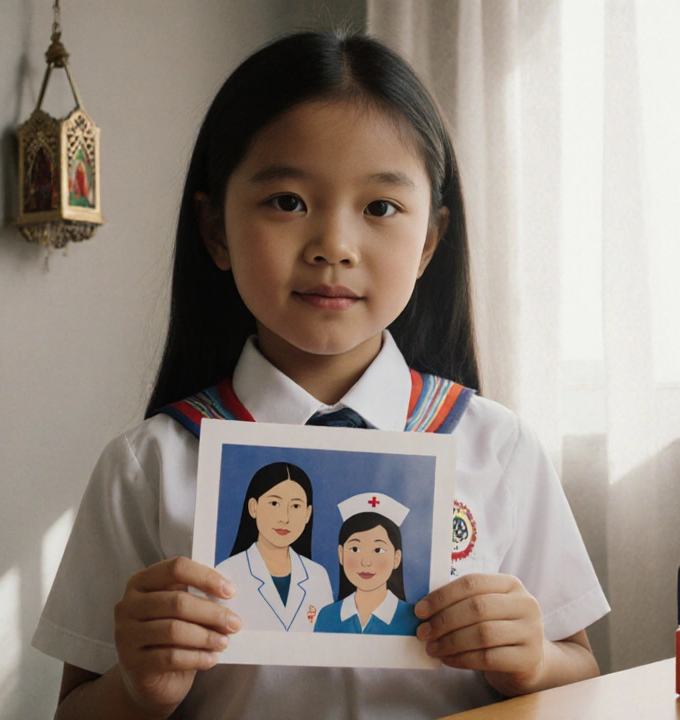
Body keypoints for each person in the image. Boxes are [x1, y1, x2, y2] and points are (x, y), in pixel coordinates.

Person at [33, 30, 610, 719]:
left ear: (428, 240)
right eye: (286, 202)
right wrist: (137, 689)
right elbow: (75, 710)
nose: (334, 246)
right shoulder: (146, 466)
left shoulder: (498, 447)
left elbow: (582, 673)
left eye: (380, 208)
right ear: (215, 229)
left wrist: (535, 660)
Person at [214, 461, 333, 632]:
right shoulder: (227, 572)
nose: (284, 518)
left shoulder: (318, 576)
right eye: (274, 504)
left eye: (296, 506)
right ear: (253, 507)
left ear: (307, 514)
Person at [314, 493, 420, 636]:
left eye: (378, 550)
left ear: (396, 558)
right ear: (341, 554)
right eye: (355, 549)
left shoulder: (412, 620)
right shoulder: (327, 617)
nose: (366, 562)